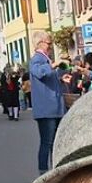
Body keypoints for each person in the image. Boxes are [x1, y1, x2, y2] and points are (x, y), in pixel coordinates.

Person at [29, 30, 68, 173]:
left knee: (55, 142)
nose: (50, 47)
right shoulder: (37, 59)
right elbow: (38, 72)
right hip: (47, 110)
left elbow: (48, 78)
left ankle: (55, 169)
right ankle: (43, 171)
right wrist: (52, 66)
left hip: (54, 108)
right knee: (47, 142)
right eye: (49, 43)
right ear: (40, 44)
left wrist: (61, 77)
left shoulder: (45, 58)